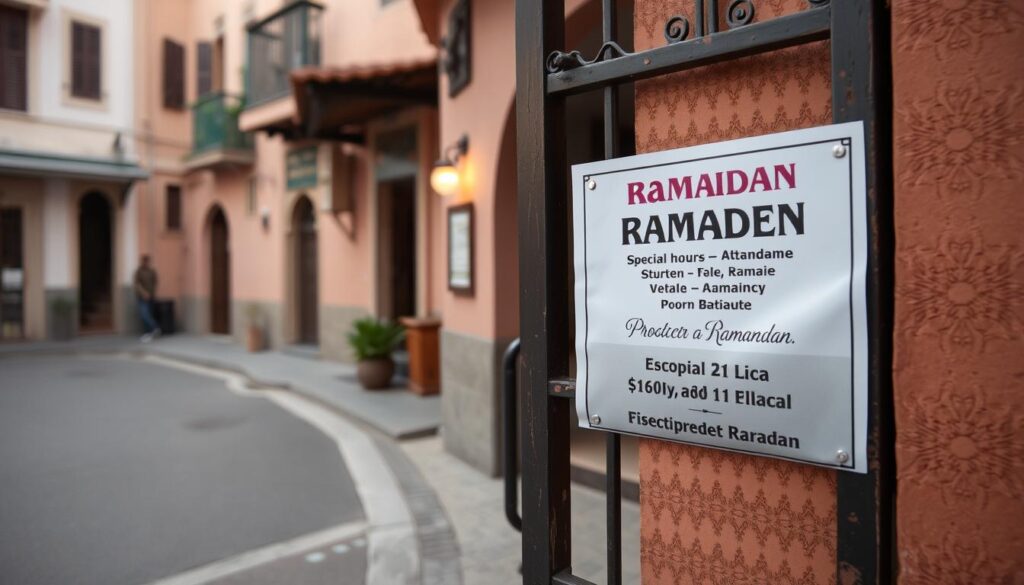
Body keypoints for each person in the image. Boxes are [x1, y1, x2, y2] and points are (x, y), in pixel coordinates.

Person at [134, 255, 161, 342]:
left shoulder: (152, 271)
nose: (145, 262)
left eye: (147, 261)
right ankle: (155, 327)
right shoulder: (139, 271)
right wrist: (144, 293)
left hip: (151, 296)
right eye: (144, 261)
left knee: (149, 314)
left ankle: (149, 333)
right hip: (142, 297)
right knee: (144, 314)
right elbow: (137, 284)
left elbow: (155, 282)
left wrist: (152, 293)